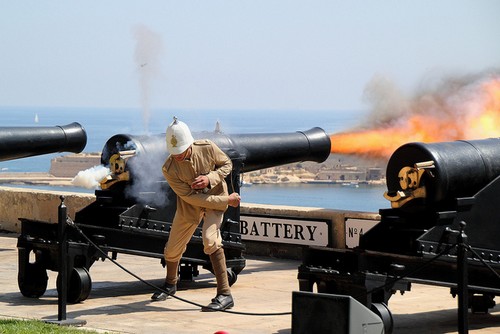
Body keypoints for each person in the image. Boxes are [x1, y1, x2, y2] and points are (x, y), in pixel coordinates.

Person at [151, 117, 241, 312]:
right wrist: (227, 200)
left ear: (190, 144)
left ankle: (225, 294)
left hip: (215, 197)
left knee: (211, 240)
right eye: (174, 153)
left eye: (181, 152)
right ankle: (170, 284)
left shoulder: (207, 147)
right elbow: (192, 198)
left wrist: (210, 178)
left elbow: (226, 164)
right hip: (191, 204)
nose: (178, 156)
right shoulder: (169, 169)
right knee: (172, 248)